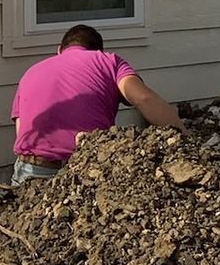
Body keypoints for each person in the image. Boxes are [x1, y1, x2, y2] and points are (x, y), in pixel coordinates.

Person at [10, 24, 185, 182]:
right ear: (97, 50)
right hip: (85, 167)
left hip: (32, 168)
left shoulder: (30, 73)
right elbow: (143, 98)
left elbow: (22, 128)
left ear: (59, 50)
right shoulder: (109, 62)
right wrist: (187, 140)